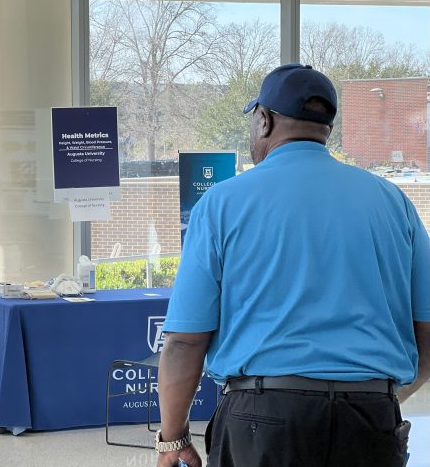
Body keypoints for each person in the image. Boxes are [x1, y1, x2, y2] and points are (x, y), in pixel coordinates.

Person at [155, 64, 430, 467]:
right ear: (326, 129)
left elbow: (184, 342)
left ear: (263, 121)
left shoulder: (222, 203)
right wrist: (378, 394)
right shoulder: (393, 203)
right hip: (370, 419)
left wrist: (173, 437)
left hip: (261, 421)